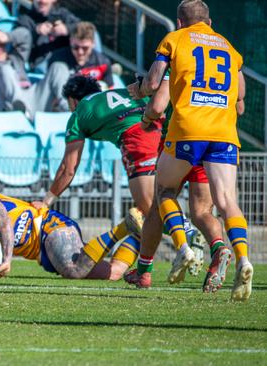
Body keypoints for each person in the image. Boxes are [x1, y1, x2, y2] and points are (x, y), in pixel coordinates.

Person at [129, 0, 252, 301]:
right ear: (209, 23)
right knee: (225, 203)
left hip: (187, 130)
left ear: (180, 22)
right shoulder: (227, 46)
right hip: (223, 135)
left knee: (164, 191)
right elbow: (241, 96)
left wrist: (139, 90)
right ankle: (243, 259)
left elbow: (155, 82)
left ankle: (182, 249)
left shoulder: (175, 38)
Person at [125, 71, 233, 291]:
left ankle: (154, 266)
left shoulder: (180, 52)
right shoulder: (229, 57)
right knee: (203, 211)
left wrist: (144, 103)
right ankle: (219, 247)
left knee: (160, 200)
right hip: (214, 139)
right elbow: (239, 104)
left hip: (180, 137)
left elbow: (157, 103)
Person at [0, 193, 144, 280]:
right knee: (114, 274)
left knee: (74, 270)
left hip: (46, 225)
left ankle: (123, 227)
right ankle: (140, 237)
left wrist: (7, 259)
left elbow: (2, 220)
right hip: (42, 254)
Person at [40, 76, 160, 223]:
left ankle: (188, 233)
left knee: (152, 213)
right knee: (148, 216)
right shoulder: (127, 91)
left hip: (139, 140)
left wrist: (46, 203)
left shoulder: (79, 111)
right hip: (167, 135)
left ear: (72, 100)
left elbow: (68, 169)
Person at [45, 22, 113, 112]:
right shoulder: (57, 59)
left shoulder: (103, 63)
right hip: (63, 107)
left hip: (92, 110)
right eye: (75, 47)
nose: (80, 52)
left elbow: (110, 93)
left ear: (93, 43)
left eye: (85, 48)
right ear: (70, 41)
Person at [15, 0, 80, 72]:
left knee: (92, 37)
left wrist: (66, 29)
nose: (42, 1)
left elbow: (81, 27)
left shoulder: (62, 14)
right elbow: (18, 41)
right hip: (41, 64)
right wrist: (36, 31)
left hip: (66, 60)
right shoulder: (25, 19)